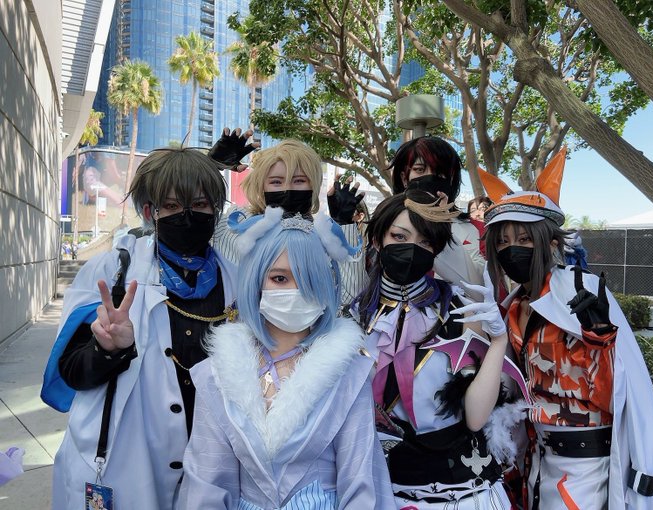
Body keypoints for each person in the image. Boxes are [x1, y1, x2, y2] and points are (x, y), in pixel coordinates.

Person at [478, 146, 653, 509]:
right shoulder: (511, 308)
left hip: (587, 470)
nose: (511, 250)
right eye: (502, 241)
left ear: (550, 242)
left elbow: (625, 389)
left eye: (524, 239)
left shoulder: (582, 292)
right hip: (534, 459)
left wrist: (599, 342)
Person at [41, 148, 238, 509]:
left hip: (211, 467)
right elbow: (72, 372)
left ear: (215, 210)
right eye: (172, 206)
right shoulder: (112, 273)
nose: (188, 217)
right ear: (150, 212)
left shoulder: (236, 281)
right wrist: (107, 349)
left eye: (200, 205)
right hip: (125, 465)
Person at [178, 207, 393, 508]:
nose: (296, 291)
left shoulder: (349, 375)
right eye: (279, 278)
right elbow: (207, 481)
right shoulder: (217, 375)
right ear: (256, 281)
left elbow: (361, 481)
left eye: (309, 280)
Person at [353, 190, 524, 509]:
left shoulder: (461, 312)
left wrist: (499, 342)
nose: (411, 249)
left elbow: (476, 418)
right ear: (377, 239)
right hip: (381, 491)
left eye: (425, 242)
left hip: (462, 494)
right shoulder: (352, 319)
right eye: (399, 236)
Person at [210, 130, 367, 306]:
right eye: (276, 182)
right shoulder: (236, 225)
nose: (287, 189)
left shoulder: (324, 237)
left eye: (299, 181)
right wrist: (210, 168)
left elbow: (351, 296)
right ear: (261, 186)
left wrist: (343, 225)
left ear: (313, 185)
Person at [389, 136, 485, 291]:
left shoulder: (479, 230)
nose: (430, 178)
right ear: (404, 178)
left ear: (451, 179)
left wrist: (440, 228)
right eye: (420, 170)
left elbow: (480, 291)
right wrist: (348, 225)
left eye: (440, 172)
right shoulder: (387, 225)